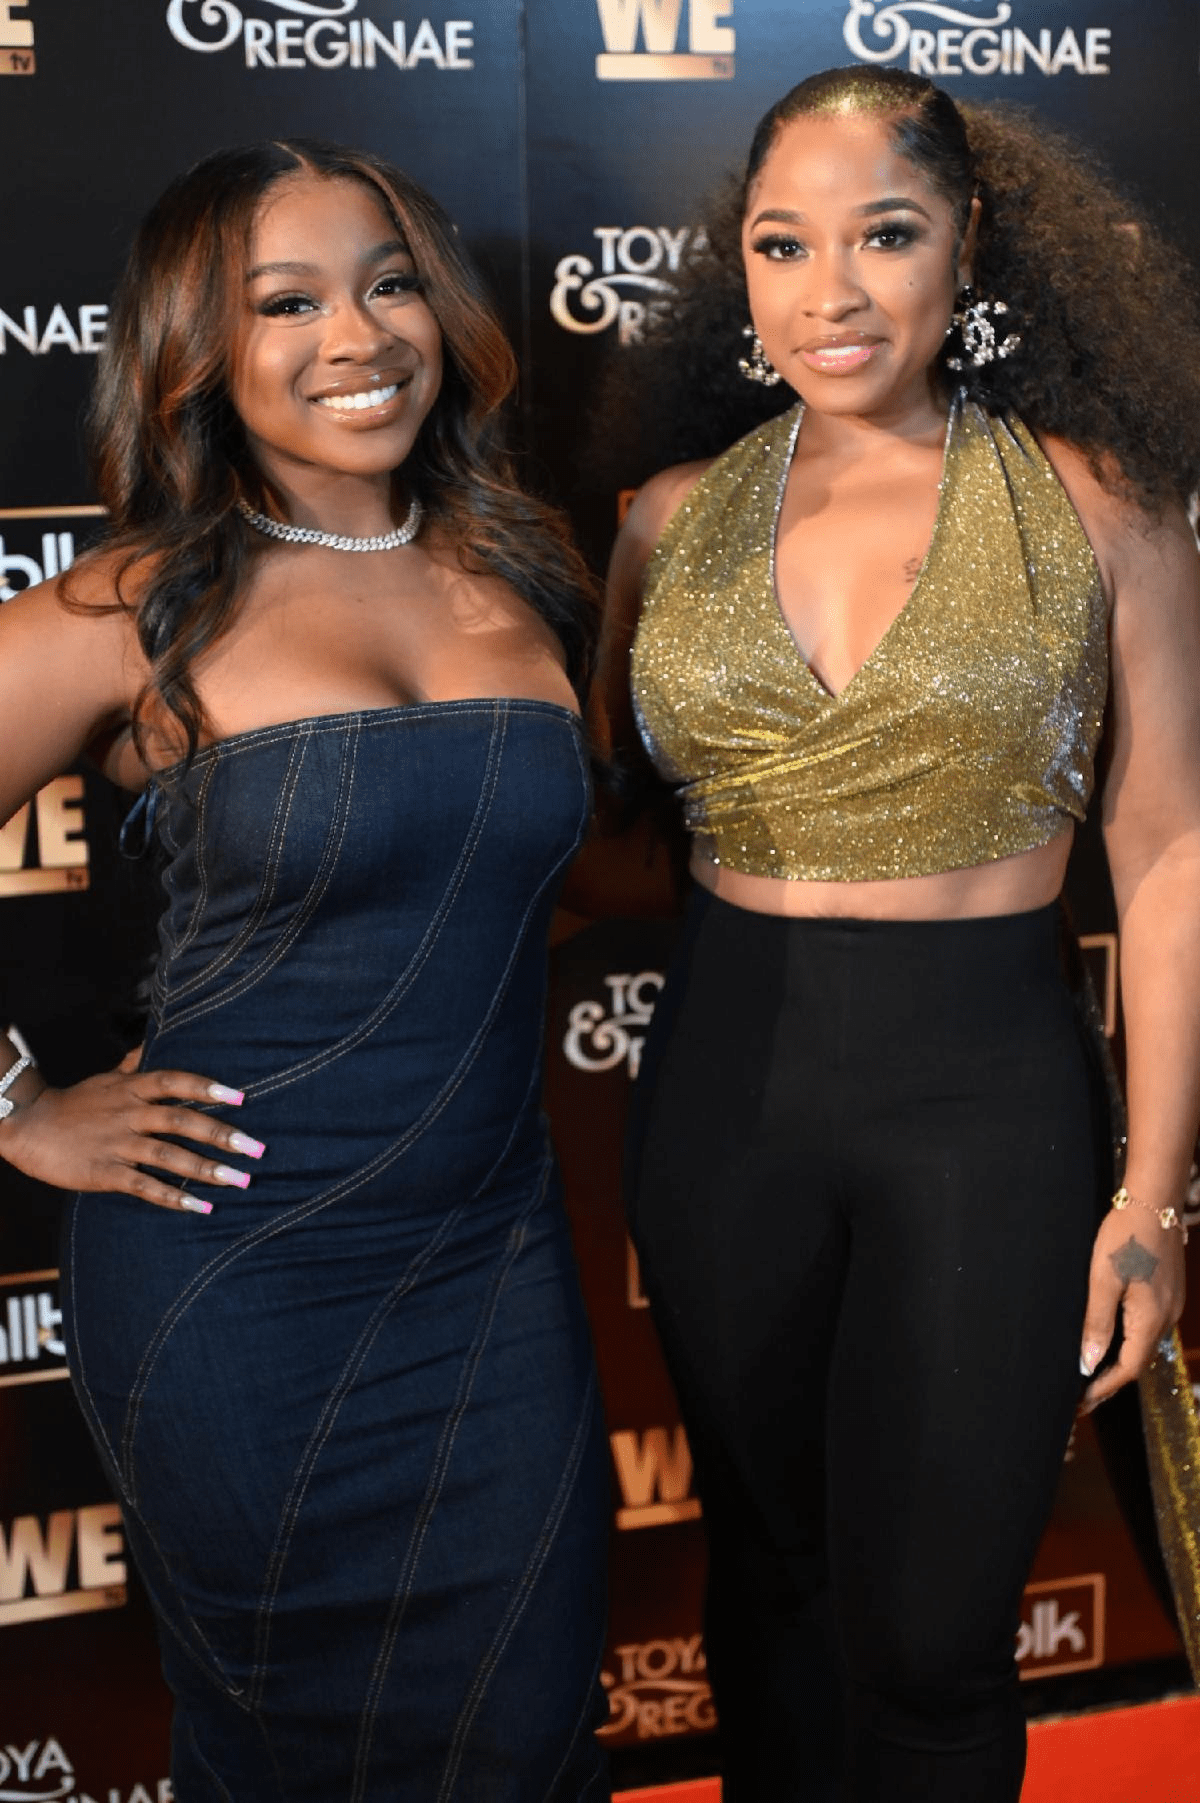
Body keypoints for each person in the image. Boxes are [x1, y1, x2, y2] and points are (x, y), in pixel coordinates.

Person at [601, 66, 1200, 1803]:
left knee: (936, 1640)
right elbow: (591, 831)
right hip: (723, 1090)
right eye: (784, 244)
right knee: (769, 1584)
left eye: (885, 234)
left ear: (970, 243)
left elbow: (1167, 848)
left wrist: (1153, 1200)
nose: (832, 292)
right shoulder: (662, 518)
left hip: (986, 1108)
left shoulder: (1101, 508)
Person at [0, 140, 610, 1799]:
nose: (358, 334)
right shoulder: (134, 608)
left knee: (526, 1725)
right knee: (292, 1747)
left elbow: (546, 873)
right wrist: (22, 1105)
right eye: (287, 302)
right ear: (197, 349)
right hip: (229, 1278)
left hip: (489, 1264)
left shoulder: (523, 573)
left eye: (389, 281)